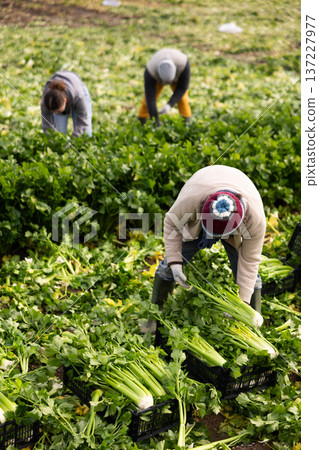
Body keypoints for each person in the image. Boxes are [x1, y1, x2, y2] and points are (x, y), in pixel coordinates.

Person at [141, 165, 266, 333]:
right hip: (201, 213)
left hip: (236, 229)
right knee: (167, 268)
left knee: (252, 278)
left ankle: (252, 329)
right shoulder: (192, 199)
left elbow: (250, 259)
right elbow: (171, 223)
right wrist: (175, 262)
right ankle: (154, 321)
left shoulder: (255, 218)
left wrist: (241, 303)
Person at [137, 48, 191, 126]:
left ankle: (186, 125)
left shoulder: (183, 64)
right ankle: (142, 124)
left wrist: (169, 105)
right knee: (146, 103)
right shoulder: (150, 71)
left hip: (178, 76)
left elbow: (182, 88)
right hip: (156, 77)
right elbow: (150, 99)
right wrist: (156, 123)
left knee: (183, 100)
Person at [41, 71, 92, 138]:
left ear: (65, 100)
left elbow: (83, 122)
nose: (55, 113)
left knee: (86, 135)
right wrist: (51, 140)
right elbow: (47, 127)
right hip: (65, 94)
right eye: (53, 111)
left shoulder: (78, 96)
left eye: (58, 110)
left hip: (77, 88)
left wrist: (73, 140)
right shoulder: (46, 102)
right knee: (60, 135)